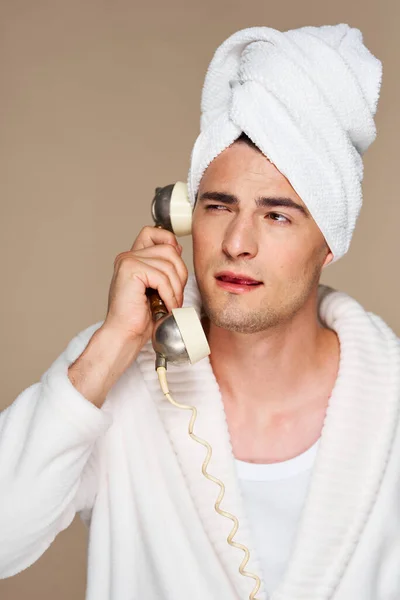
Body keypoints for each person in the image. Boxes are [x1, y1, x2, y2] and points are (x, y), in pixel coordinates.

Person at [1, 23, 399, 600]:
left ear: (330, 240)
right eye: (219, 207)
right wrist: (112, 348)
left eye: (277, 215)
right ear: (184, 217)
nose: (238, 242)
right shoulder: (116, 380)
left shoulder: (391, 404)